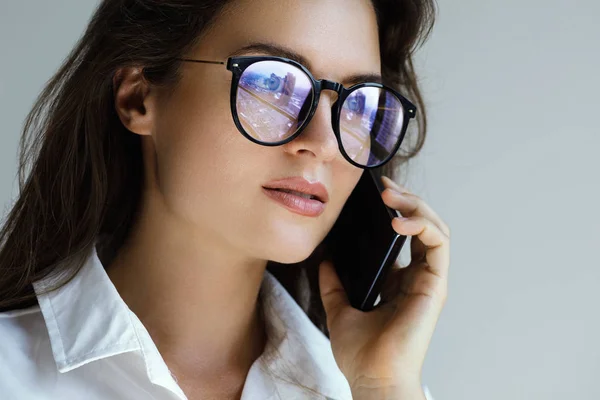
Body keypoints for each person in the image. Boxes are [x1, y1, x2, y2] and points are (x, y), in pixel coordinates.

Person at [0, 0, 449, 399]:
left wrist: (383, 389)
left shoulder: (369, 389)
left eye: (358, 105)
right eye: (273, 84)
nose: (325, 142)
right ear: (138, 96)